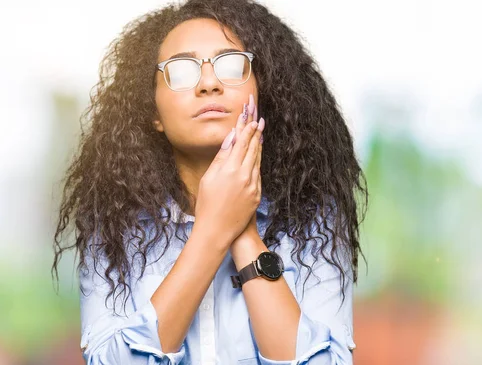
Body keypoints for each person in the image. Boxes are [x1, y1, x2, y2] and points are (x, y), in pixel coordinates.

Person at [52, 0, 368, 364]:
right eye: (181, 70)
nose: (208, 83)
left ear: (263, 94)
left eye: (231, 64)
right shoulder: (113, 226)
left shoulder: (313, 220)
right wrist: (212, 231)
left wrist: (244, 231)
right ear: (153, 112)